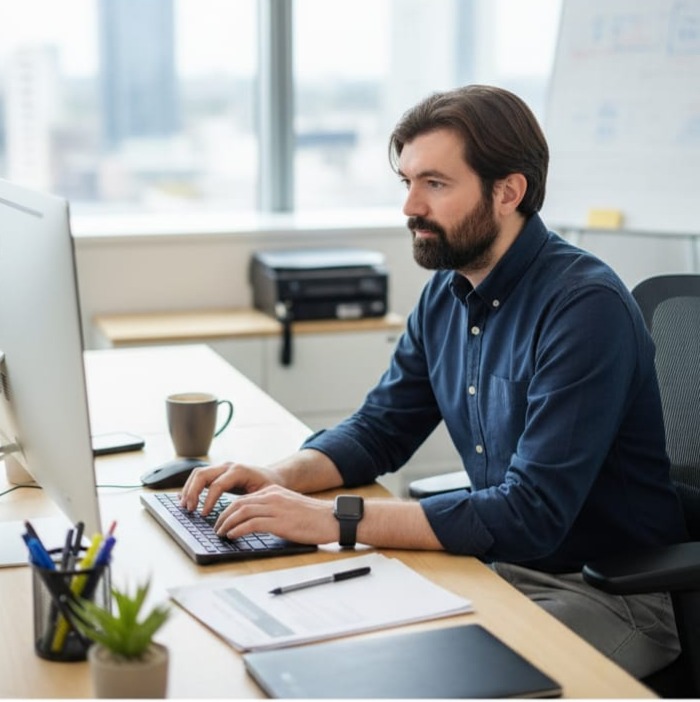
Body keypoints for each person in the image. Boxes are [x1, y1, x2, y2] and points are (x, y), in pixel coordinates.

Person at [180, 84, 686, 678]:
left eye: (435, 184)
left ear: (508, 191)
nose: (410, 207)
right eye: (407, 182)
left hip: (608, 596)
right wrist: (278, 476)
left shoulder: (583, 308)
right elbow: (380, 431)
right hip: (497, 570)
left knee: (414, 679)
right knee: (322, 652)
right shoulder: (446, 293)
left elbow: (530, 513)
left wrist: (338, 519)